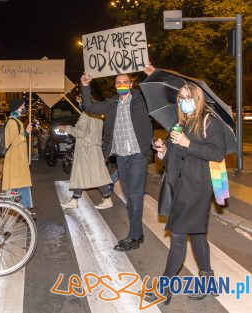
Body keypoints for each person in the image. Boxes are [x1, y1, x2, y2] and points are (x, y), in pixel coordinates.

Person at [145, 82, 226, 304]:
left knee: (179, 238)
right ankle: (208, 282)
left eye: (188, 97)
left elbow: (217, 153)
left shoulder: (210, 122)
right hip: (178, 186)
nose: (183, 101)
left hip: (197, 189)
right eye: (180, 97)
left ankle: (164, 288)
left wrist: (188, 143)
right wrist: (162, 151)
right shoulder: (178, 124)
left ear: (198, 99)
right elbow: (172, 154)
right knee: (198, 236)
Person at [80, 65, 155, 252]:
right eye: (118, 82)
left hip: (138, 154)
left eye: (125, 82)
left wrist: (152, 76)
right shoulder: (112, 103)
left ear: (131, 84)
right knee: (130, 197)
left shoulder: (141, 100)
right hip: (121, 156)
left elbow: (156, 95)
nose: (122, 84)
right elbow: (89, 106)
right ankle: (138, 232)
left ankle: (134, 237)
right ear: (115, 86)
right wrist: (85, 86)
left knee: (136, 196)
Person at [58, 112, 113, 209]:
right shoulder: (97, 115)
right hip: (93, 149)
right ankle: (75, 200)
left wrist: (66, 128)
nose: (79, 102)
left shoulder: (86, 114)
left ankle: (107, 199)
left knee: (95, 175)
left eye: (80, 99)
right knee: (83, 174)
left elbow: (81, 132)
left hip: (86, 150)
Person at [1, 98, 33, 210]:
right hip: (15, 159)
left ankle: (24, 209)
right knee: (20, 185)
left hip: (18, 158)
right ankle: (23, 209)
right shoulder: (12, 122)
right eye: (22, 106)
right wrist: (26, 132)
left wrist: (25, 133)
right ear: (16, 108)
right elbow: (14, 141)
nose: (24, 108)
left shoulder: (16, 121)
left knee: (23, 184)